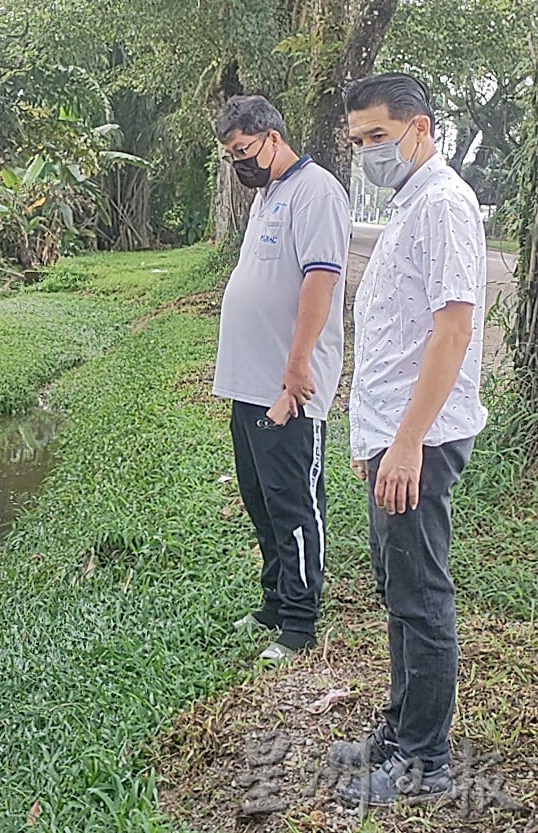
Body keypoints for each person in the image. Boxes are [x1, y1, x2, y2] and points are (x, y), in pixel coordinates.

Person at [335, 72, 487, 806]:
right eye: (357, 141)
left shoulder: (443, 205)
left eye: (377, 138)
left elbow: (450, 331)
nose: (367, 152)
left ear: (419, 128)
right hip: (391, 434)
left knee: (421, 596)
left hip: (418, 439)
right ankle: (398, 731)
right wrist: (373, 436)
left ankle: (424, 762)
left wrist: (405, 444)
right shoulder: (406, 203)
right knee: (396, 589)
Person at [212, 95, 350, 664]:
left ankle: (298, 621)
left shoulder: (315, 192)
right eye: (229, 156)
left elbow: (320, 281)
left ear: (272, 138)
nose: (238, 162)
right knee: (260, 500)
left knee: (294, 503)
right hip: (249, 382)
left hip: (288, 385)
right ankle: (273, 600)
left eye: (242, 150)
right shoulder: (268, 196)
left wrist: (298, 366)